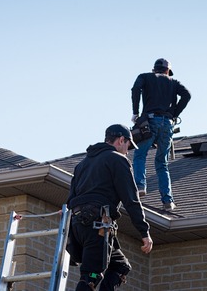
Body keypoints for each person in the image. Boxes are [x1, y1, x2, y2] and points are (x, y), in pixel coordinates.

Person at [67, 124, 153, 291]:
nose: (128, 151)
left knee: (120, 266)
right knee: (91, 276)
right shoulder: (118, 160)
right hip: (97, 226)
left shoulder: (82, 165)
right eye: (128, 146)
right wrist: (144, 232)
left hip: (79, 226)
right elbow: (131, 200)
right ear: (122, 140)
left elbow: (70, 200)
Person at [131, 58, 191, 211]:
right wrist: (173, 113)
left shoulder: (145, 77)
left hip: (150, 121)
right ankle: (168, 201)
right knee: (161, 163)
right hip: (167, 124)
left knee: (140, 154)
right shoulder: (173, 82)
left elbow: (135, 89)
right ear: (167, 71)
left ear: (154, 69)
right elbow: (187, 95)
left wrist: (135, 112)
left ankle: (140, 186)